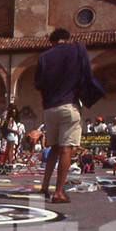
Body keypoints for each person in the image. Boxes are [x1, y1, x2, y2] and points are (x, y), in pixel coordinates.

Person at [34, 27, 93, 204]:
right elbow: (87, 74)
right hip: (69, 104)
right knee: (66, 148)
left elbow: (38, 84)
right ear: (67, 38)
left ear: (52, 41)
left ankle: (45, 186)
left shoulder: (44, 56)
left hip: (50, 108)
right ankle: (58, 192)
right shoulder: (77, 48)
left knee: (53, 147)